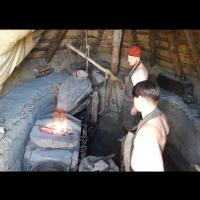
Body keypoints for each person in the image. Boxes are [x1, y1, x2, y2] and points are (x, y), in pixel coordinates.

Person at [123, 80, 170, 171]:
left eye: (134, 98)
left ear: (141, 99)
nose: (133, 101)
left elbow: (159, 169)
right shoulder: (162, 116)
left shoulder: (147, 133)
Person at [127, 44, 149, 117]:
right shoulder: (139, 65)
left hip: (133, 103)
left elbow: (140, 92)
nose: (128, 60)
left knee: (128, 124)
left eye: (131, 58)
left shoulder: (140, 72)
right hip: (132, 98)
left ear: (138, 58)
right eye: (128, 58)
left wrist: (135, 107)